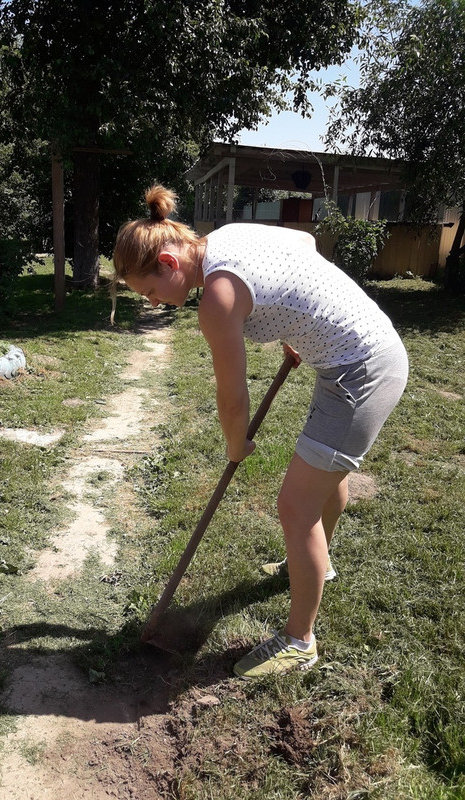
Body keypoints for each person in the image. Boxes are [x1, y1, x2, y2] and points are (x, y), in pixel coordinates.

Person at [113, 184, 409, 679]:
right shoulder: (226, 236)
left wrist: (236, 443)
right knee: (325, 477)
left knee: (295, 506)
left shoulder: (217, 298)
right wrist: (298, 327)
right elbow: (302, 247)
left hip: (361, 371)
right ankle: (318, 564)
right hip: (358, 352)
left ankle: (299, 641)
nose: (156, 302)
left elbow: (233, 398)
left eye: (150, 292)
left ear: (167, 262)